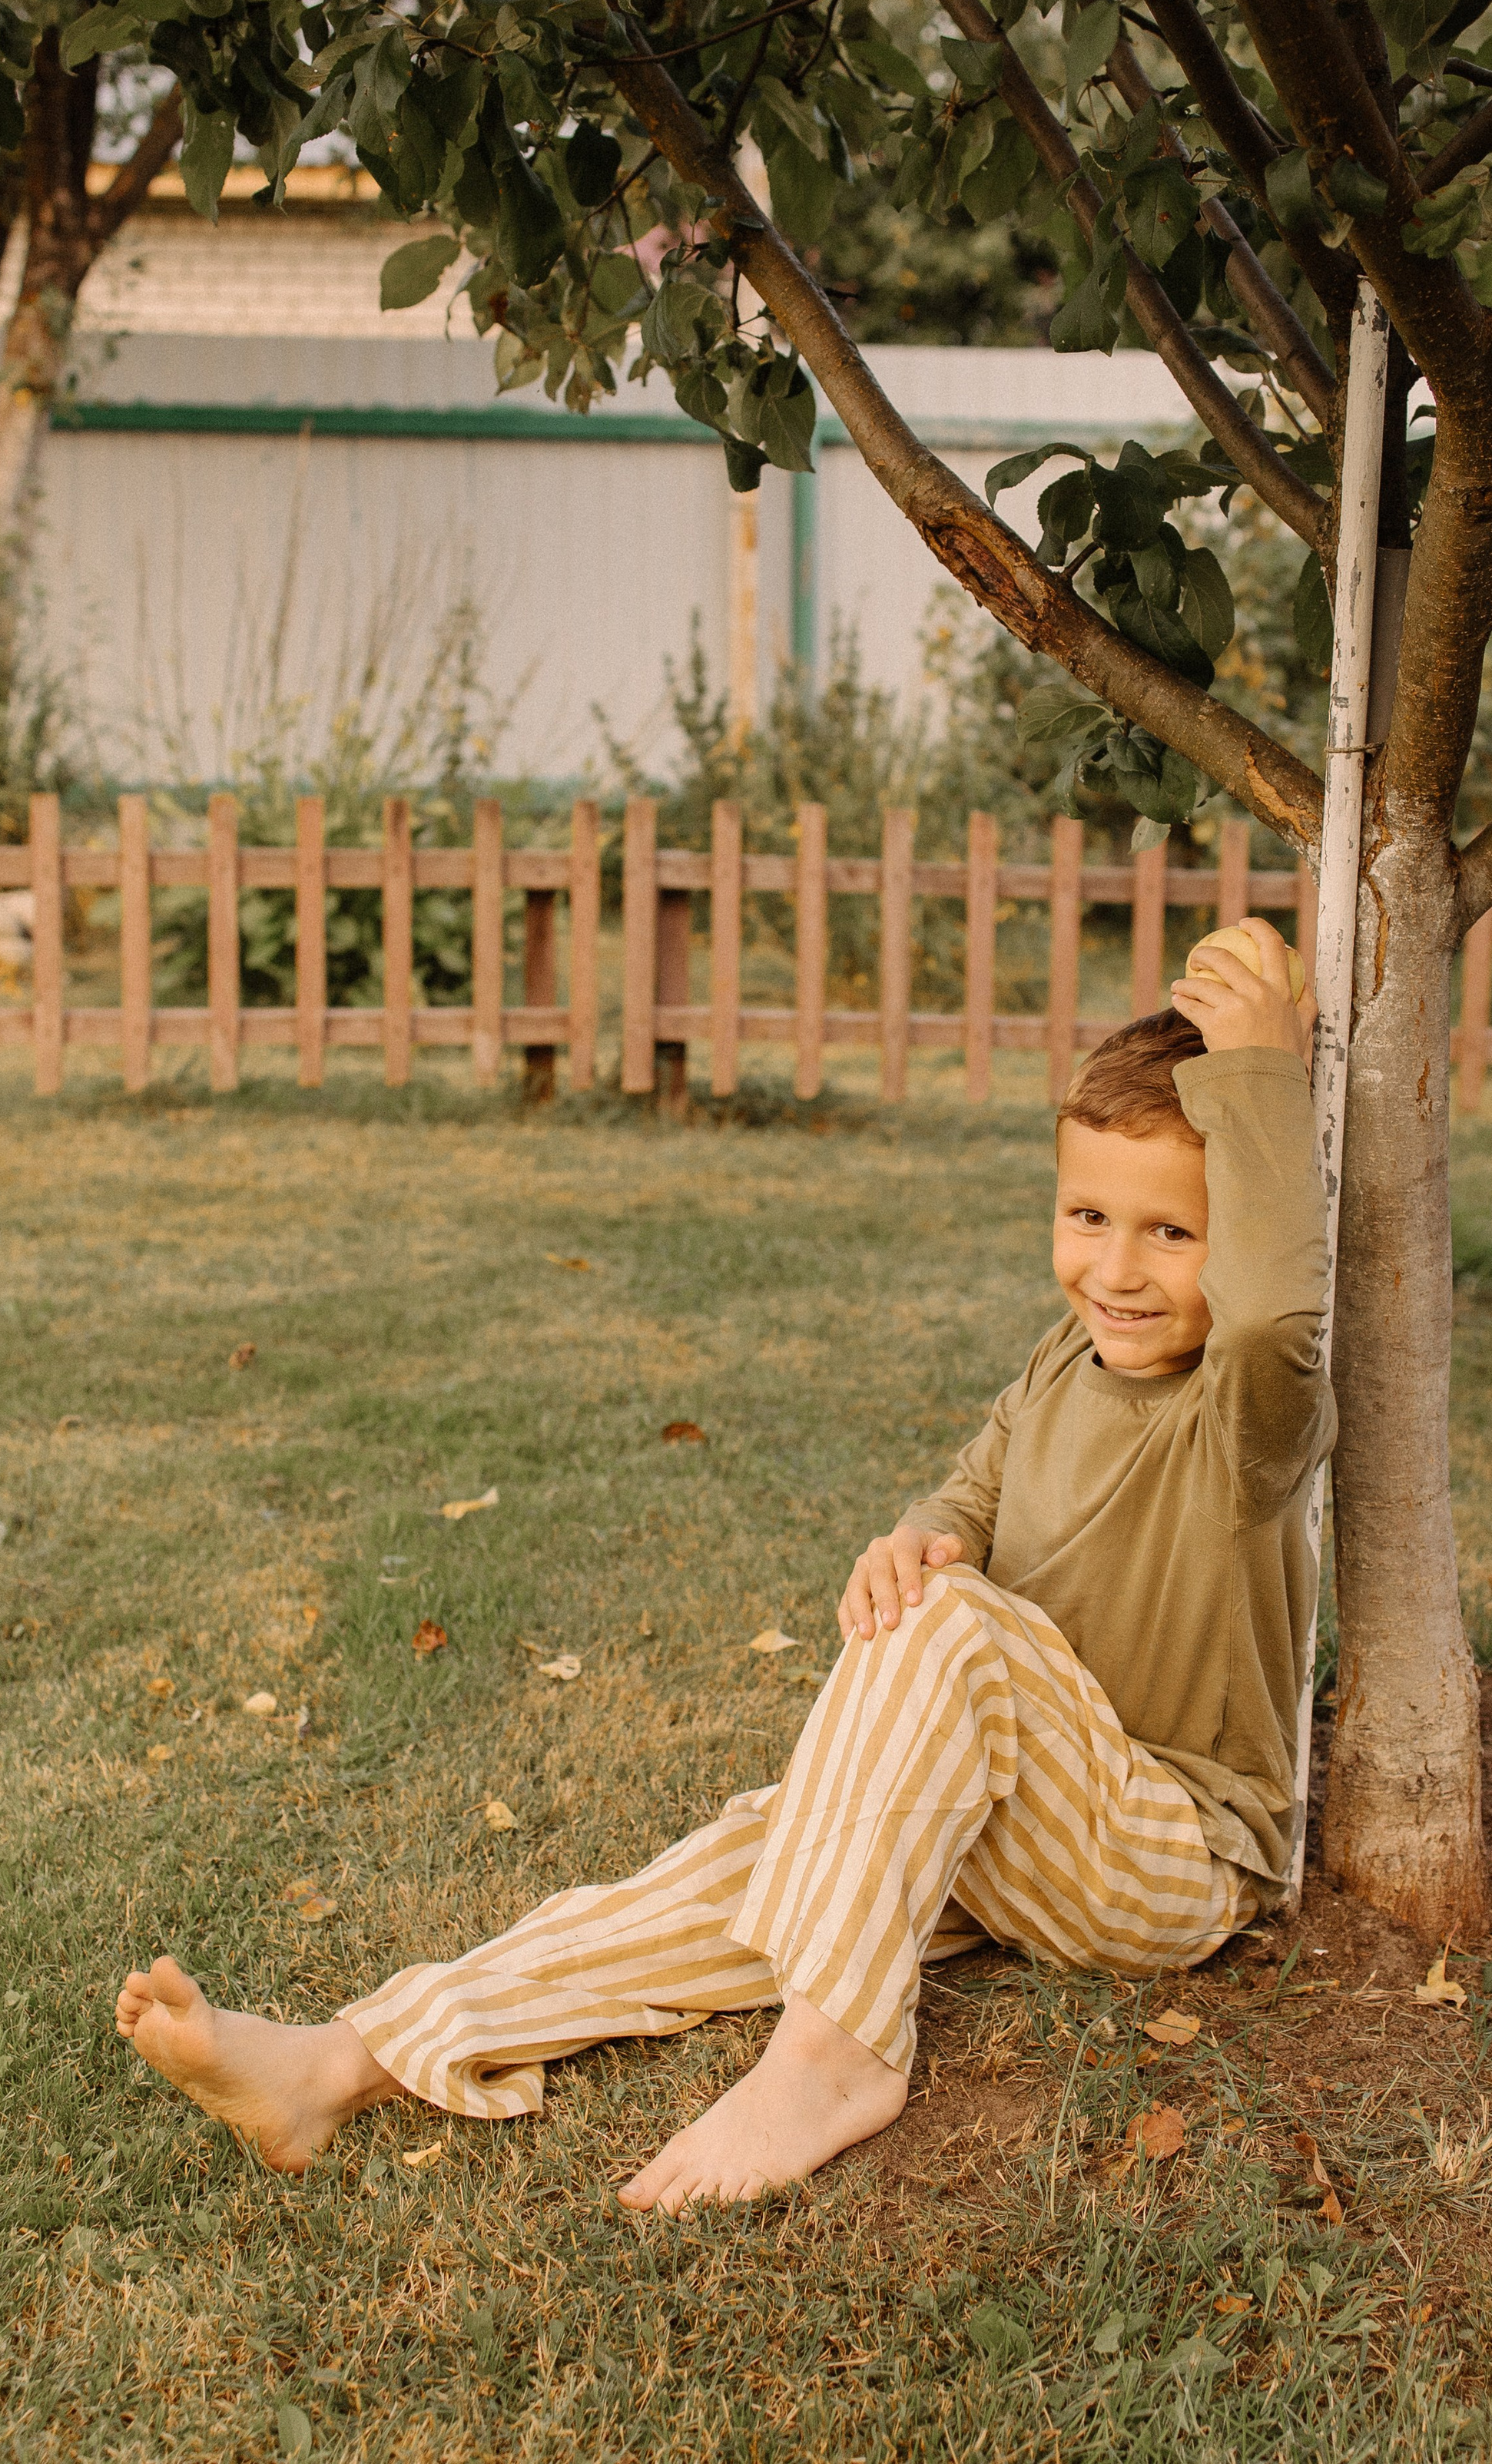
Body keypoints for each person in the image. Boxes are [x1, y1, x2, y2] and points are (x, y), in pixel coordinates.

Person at [117, 916, 1331, 2214]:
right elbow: (972, 1492)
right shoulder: (1062, 1359)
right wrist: (918, 1538)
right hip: (1011, 1823)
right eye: (1088, 1216)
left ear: (1239, 1238)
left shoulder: (1248, 1420)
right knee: (740, 1869)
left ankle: (834, 2055)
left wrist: (1263, 1074)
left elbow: (1275, 1316)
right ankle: (339, 2063)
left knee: (949, 1628)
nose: (1117, 1270)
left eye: (1173, 1234)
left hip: (1167, 1855)